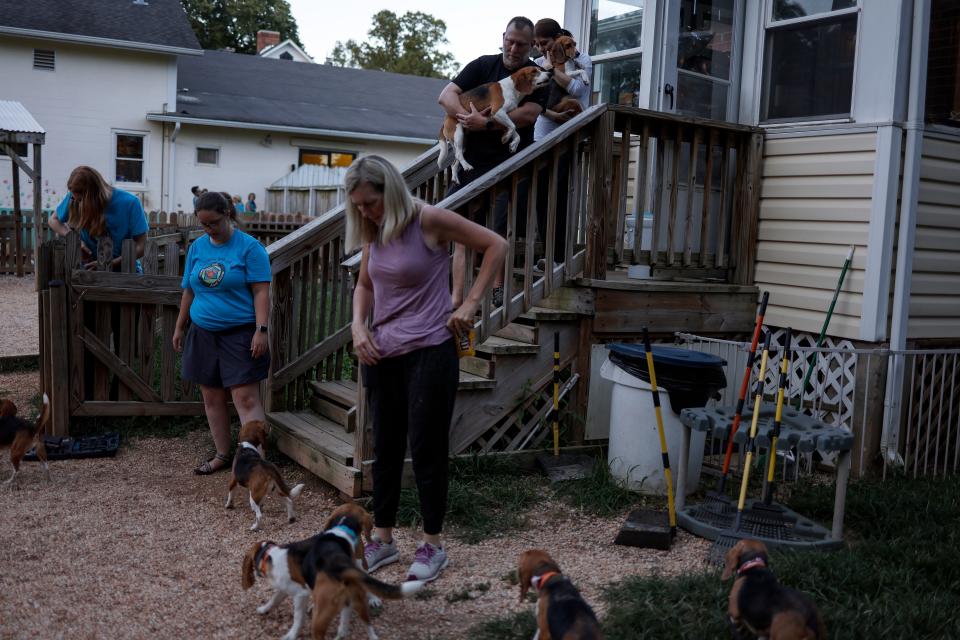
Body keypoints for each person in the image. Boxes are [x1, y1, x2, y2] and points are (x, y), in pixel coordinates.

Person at [347, 155, 506, 583]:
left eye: (371, 203)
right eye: (358, 205)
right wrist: (358, 324)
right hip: (381, 352)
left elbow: (496, 244)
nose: (365, 212)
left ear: (391, 192)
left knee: (427, 447)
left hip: (430, 350)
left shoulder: (429, 220)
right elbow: (364, 285)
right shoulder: (373, 229)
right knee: (384, 445)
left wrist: (471, 303)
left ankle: (433, 545)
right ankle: (382, 538)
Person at [437, 16, 548, 309]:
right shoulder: (482, 65)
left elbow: (529, 115)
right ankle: (456, 298)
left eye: (521, 44)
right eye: (509, 40)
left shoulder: (535, 74)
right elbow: (446, 96)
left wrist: (484, 123)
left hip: (511, 164)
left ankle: (499, 297)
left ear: (531, 46)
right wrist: (466, 119)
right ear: (503, 37)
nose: (513, 48)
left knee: (500, 231)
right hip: (472, 162)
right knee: (458, 228)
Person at [173, 191, 271, 475]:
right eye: (203, 225)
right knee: (212, 397)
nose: (208, 230)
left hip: (240, 333)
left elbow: (261, 292)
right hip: (203, 332)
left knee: (245, 399)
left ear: (227, 214)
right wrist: (181, 326)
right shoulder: (198, 248)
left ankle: (256, 462)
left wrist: (261, 330)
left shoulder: (250, 249)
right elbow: (189, 289)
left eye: (213, 223)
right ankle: (222, 454)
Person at [532, 20, 592, 275]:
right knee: (542, 197)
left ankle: (558, 257)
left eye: (544, 43)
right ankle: (546, 254)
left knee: (561, 197)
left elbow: (578, 89)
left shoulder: (582, 60)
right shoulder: (537, 63)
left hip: (569, 137)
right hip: (541, 136)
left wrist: (552, 69)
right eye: (537, 44)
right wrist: (545, 68)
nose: (541, 48)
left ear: (557, 39)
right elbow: (535, 95)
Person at [48, 165, 148, 270]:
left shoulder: (130, 203)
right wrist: (76, 239)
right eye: (75, 199)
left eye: (81, 200)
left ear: (93, 196)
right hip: (89, 272)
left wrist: (110, 263)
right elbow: (53, 220)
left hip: (126, 274)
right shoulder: (75, 197)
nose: (77, 203)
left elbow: (142, 246)